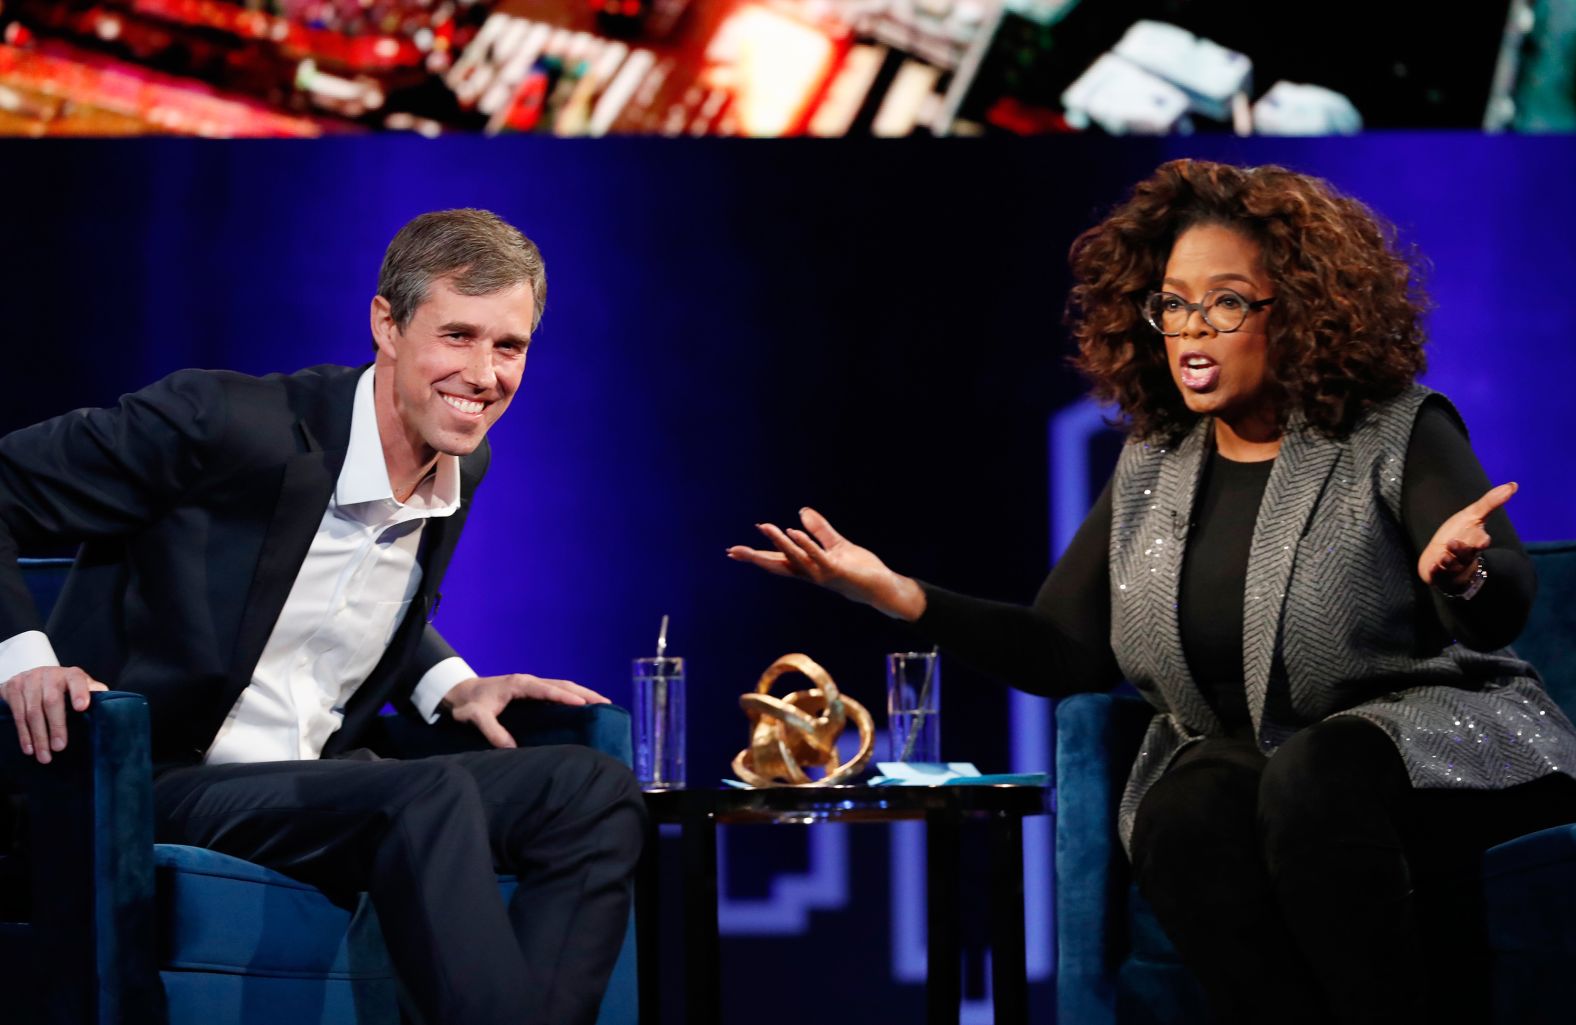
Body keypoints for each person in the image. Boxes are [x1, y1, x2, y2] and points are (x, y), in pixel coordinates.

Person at [727, 160, 1576, 1024]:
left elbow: (1503, 598)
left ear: (1305, 312)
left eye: (1227, 302)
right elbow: (1065, 649)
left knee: (1311, 777)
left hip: (1439, 753)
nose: (1192, 331)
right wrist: (900, 594)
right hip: (1268, 769)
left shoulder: (1395, 428)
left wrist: (1464, 574)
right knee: (1183, 806)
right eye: (1173, 304)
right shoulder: (1155, 464)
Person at [0, 208, 644, 1025]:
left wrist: (449, 681)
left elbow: (344, 587)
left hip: (316, 781)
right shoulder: (225, 424)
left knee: (590, 789)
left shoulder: (460, 456)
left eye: (508, 346)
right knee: (427, 795)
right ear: (387, 323)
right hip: (155, 777)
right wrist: (23, 656)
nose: (483, 374)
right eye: (457, 335)